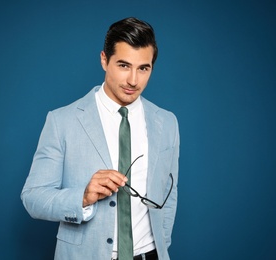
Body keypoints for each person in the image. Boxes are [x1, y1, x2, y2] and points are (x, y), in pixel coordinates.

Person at [21, 17, 179, 260]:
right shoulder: (62, 120)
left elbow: (168, 194)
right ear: (104, 60)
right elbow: (33, 197)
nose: (133, 81)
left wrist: (161, 248)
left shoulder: (167, 122)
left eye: (143, 68)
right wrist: (82, 197)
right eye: (124, 65)